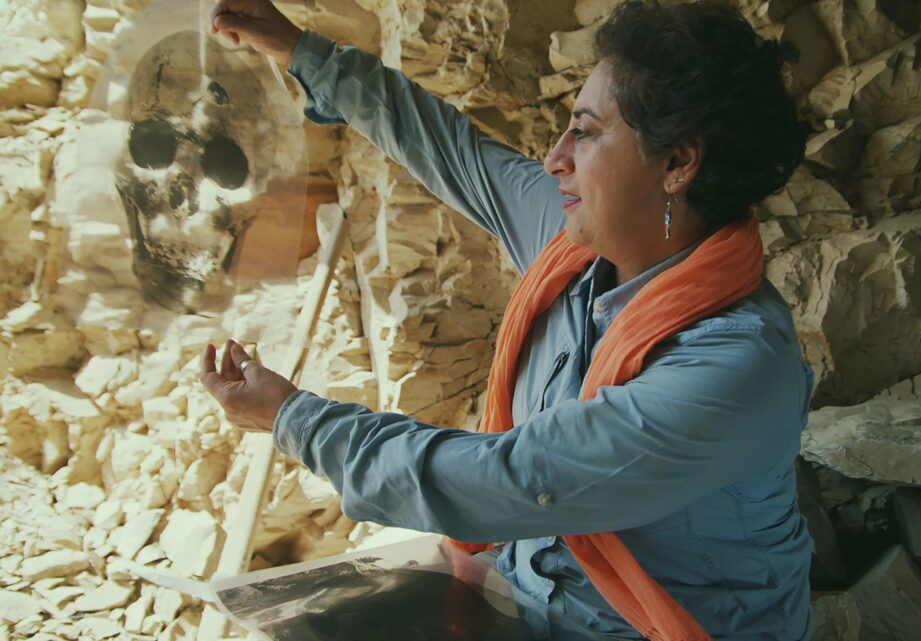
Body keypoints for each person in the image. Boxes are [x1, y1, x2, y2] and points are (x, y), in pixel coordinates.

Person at [200, 1, 814, 639]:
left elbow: (511, 480)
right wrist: (303, 52)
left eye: (586, 131)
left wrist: (291, 418)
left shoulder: (734, 367)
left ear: (678, 164)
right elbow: (450, 149)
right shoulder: (575, 245)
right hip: (528, 596)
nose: (555, 158)